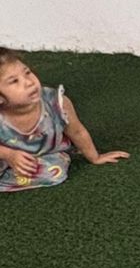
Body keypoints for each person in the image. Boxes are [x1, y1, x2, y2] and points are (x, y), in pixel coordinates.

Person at [0, 48, 127, 192]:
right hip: (5, 155)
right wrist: (9, 154)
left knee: (54, 172)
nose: (29, 82)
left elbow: (77, 131)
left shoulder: (56, 103)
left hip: (46, 155)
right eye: (14, 81)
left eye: (27, 72)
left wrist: (95, 157)